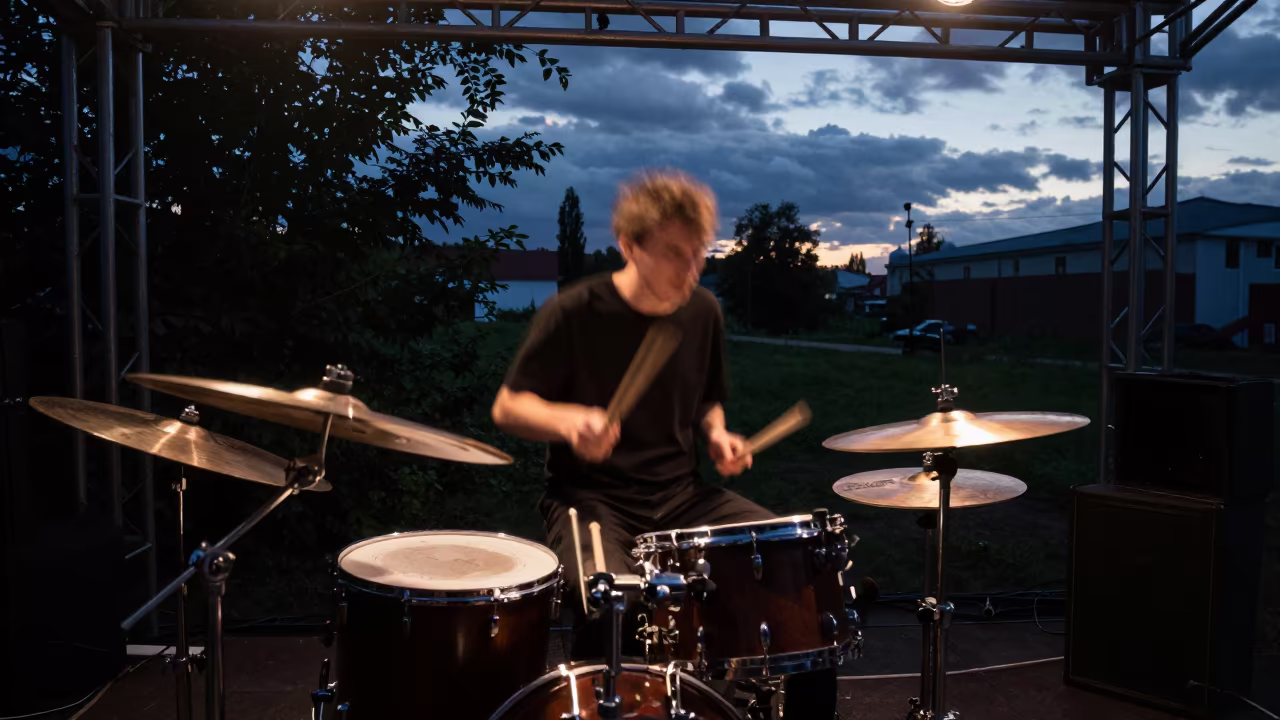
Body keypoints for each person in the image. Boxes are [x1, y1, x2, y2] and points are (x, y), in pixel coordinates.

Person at [490, 169, 837, 717]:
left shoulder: (702, 311)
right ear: (630, 245)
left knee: (802, 581)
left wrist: (719, 435)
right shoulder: (575, 311)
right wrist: (572, 422)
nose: (692, 270)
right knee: (613, 609)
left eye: (699, 253)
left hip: (681, 495)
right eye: (676, 254)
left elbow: (707, 400)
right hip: (591, 499)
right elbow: (509, 406)